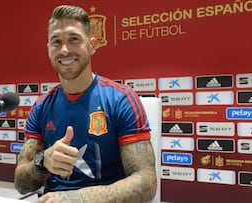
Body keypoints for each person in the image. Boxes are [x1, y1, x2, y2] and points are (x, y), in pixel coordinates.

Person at [14, 5, 157, 203]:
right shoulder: (41, 107)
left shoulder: (121, 99)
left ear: (92, 45)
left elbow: (146, 181)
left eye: (74, 39)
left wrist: (75, 199)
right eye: (56, 42)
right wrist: (42, 161)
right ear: (48, 49)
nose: (64, 50)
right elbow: (21, 185)